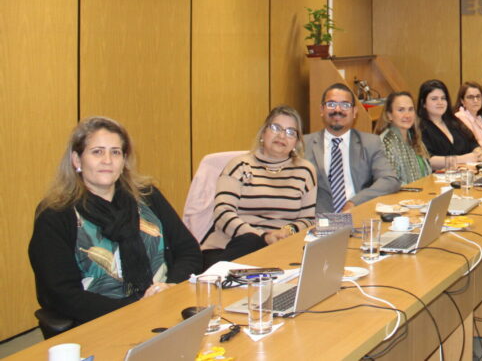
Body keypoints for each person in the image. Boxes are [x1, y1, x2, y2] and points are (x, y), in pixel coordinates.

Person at [29, 117, 202, 327]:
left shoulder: (147, 197)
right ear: (77, 160)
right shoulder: (56, 214)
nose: (108, 160)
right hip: (101, 324)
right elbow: (61, 294)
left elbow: (188, 250)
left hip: (165, 309)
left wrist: (171, 286)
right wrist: (135, 309)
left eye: (115, 152)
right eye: (97, 152)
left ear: (124, 161)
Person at [201, 106, 316, 265]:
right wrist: (262, 236)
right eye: (276, 128)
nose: (282, 136)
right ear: (263, 133)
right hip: (233, 246)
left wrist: (287, 231)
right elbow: (222, 213)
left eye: (291, 132)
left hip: (280, 248)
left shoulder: (305, 171)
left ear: (296, 142)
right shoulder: (239, 166)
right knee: (251, 242)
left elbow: (308, 219)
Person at [304, 83, 400, 213]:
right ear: (322, 109)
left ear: (354, 112)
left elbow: (389, 179)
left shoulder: (370, 143)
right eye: (331, 104)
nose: (337, 110)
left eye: (345, 105)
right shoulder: (304, 144)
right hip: (318, 222)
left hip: (357, 217)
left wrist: (355, 202)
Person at [418, 79, 482, 168]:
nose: (440, 102)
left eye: (443, 98)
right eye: (434, 99)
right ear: (423, 103)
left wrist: (478, 151)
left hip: (465, 173)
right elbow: (427, 160)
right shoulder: (420, 128)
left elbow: (472, 143)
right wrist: (462, 159)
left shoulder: (454, 121)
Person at [374, 92, 431, 185]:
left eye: (411, 109)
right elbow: (391, 183)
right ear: (389, 115)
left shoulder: (413, 136)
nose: (407, 115)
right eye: (401, 110)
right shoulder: (385, 143)